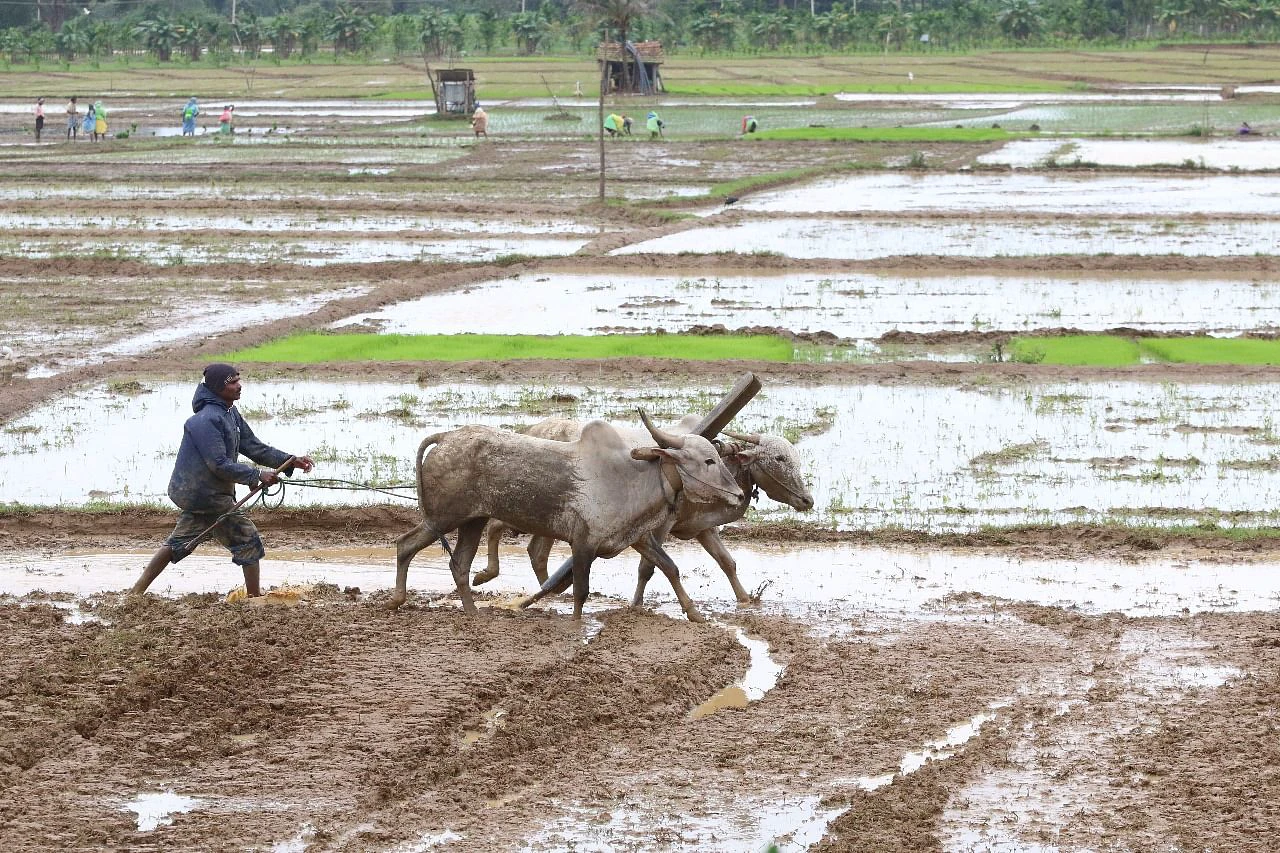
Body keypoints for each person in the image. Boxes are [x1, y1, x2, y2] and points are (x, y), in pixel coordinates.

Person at [131, 364, 315, 598]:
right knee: (246, 537)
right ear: (219, 387)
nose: (239, 386)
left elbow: (252, 446)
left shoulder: (230, 413)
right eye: (232, 382)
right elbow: (217, 463)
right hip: (202, 493)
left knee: (180, 540)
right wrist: (256, 475)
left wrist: (289, 461)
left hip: (204, 492)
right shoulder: (205, 420)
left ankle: (135, 593)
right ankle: (254, 598)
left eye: (238, 380)